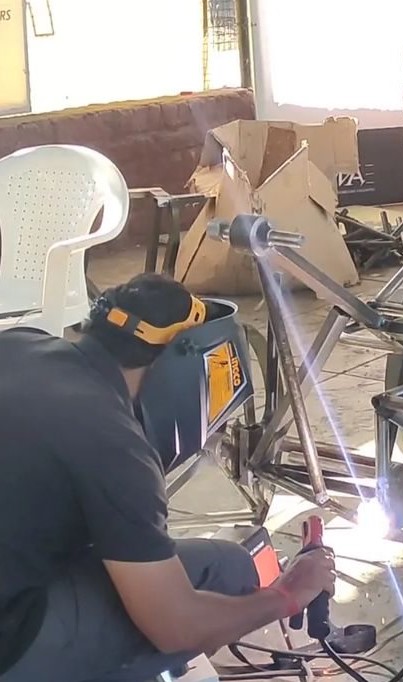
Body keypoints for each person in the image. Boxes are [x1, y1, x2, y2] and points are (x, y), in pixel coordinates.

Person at [0, 273, 336, 682]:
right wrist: (287, 595)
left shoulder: (20, 343)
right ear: (177, 362)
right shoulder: (115, 445)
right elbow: (177, 627)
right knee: (220, 584)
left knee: (221, 565)